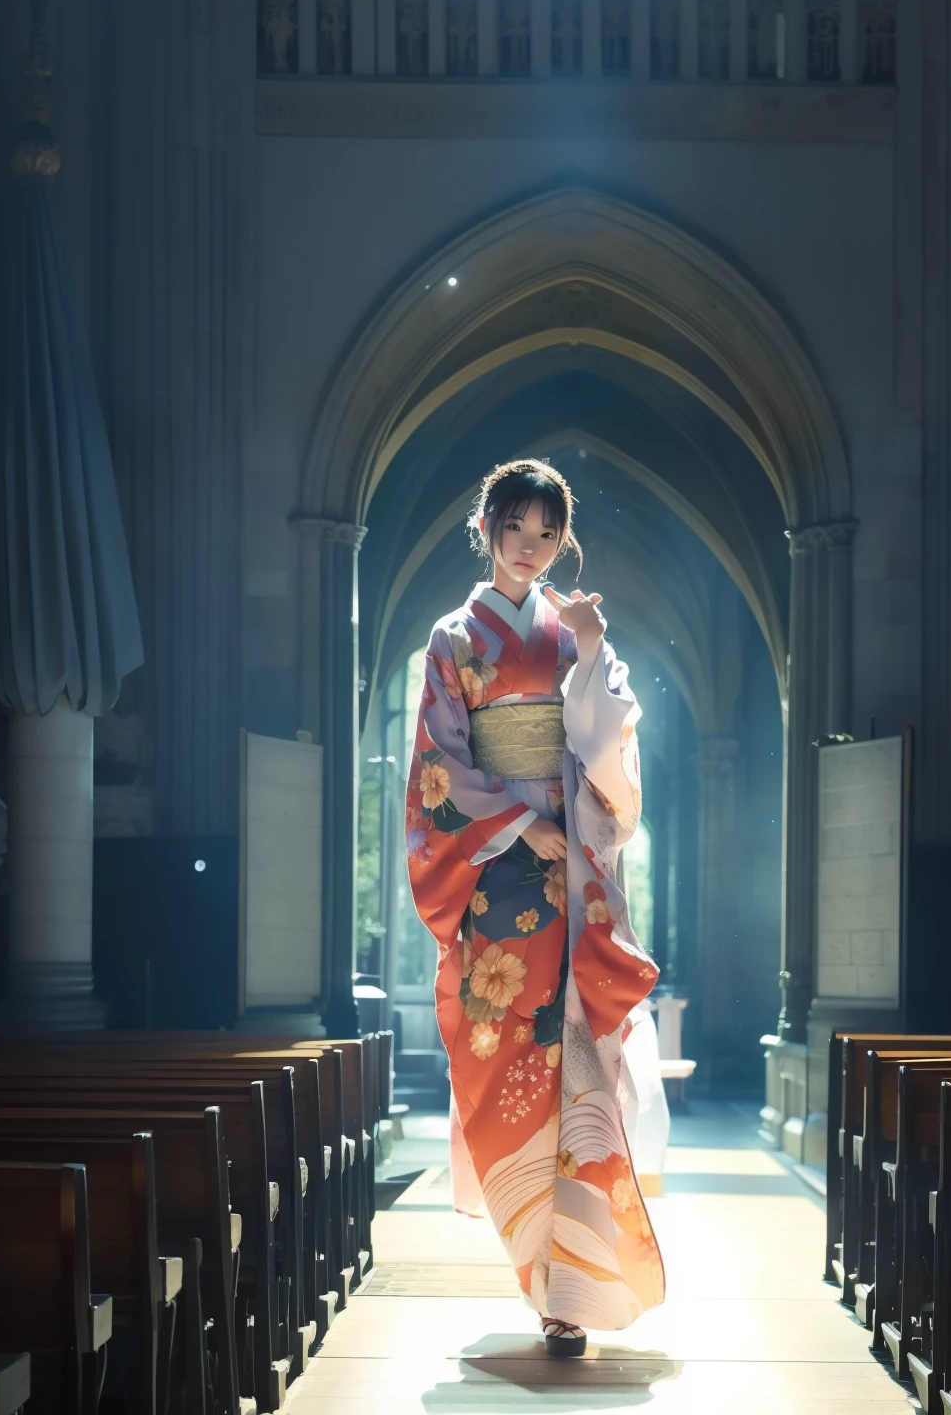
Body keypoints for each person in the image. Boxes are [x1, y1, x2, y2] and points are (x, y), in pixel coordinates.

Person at [403, 457, 665, 1353]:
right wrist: (517, 823)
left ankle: (569, 1289)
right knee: (507, 1066)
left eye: (548, 532)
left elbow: (611, 744)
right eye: (516, 528)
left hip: (573, 879)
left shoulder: (571, 629)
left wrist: (591, 653)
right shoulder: (453, 639)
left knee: (578, 1072)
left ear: (562, 538)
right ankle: (539, 1270)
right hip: (497, 884)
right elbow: (440, 767)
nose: (532, 547)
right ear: (486, 529)